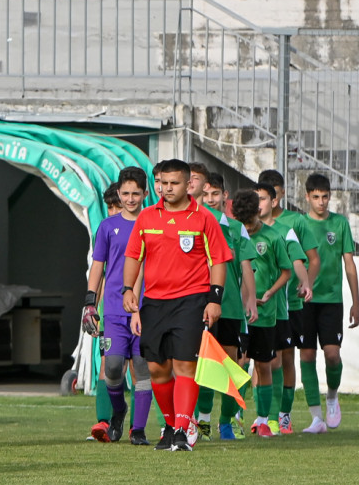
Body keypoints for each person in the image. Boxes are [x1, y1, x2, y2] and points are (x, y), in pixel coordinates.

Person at [121, 159, 232, 452]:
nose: (167, 188)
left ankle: (183, 429)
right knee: (157, 368)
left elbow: (218, 259)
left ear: (187, 185)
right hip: (154, 302)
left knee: (184, 364)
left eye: (174, 183)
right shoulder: (147, 217)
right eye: (163, 183)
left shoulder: (203, 218)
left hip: (191, 300)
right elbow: (134, 256)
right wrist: (127, 290)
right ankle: (169, 426)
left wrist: (214, 299)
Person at [83, 170, 152, 444]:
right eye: (125, 193)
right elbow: (97, 265)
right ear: (119, 194)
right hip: (113, 308)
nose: (130, 198)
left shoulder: (152, 224)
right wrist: (90, 300)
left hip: (147, 309)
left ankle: (138, 430)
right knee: (112, 367)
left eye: (136, 193)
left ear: (146, 194)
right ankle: (119, 411)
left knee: (142, 368)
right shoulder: (107, 226)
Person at [195, 173, 258, 442]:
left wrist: (250, 300)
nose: (210, 199)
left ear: (224, 196)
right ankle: (204, 421)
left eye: (215, 194)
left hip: (231, 308)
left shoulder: (235, 228)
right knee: (206, 367)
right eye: (206, 194)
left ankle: (226, 423)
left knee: (232, 366)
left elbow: (245, 268)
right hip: (202, 306)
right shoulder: (194, 225)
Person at [300, 173, 359, 432]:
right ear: (307, 197)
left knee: (332, 355)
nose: (321, 202)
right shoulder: (299, 225)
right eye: (316, 197)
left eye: (325, 197)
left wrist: (356, 302)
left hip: (332, 300)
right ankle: (316, 417)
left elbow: (349, 264)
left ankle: (332, 396)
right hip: (304, 300)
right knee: (307, 354)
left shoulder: (340, 223)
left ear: (330, 197)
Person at [259, 170, 316, 434]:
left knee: (284, 360)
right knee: (261, 362)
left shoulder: (287, 230)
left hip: (285, 307)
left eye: (264, 198)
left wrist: (305, 283)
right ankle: (259, 417)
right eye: (255, 198)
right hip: (257, 307)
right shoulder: (246, 231)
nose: (259, 204)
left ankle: (283, 414)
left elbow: (298, 261)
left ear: (274, 201)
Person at [232, 187, 290, 438]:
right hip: (238, 314)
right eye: (242, 222)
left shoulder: (274, 237)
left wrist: (269, 293)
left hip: (266, 314)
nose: (247, 227)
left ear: (259, 212)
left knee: (264, 365)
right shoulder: (233, 236)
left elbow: (286, 271)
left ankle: (263, 419)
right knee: (239, 364)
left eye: (250, 221)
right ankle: (234, 417)